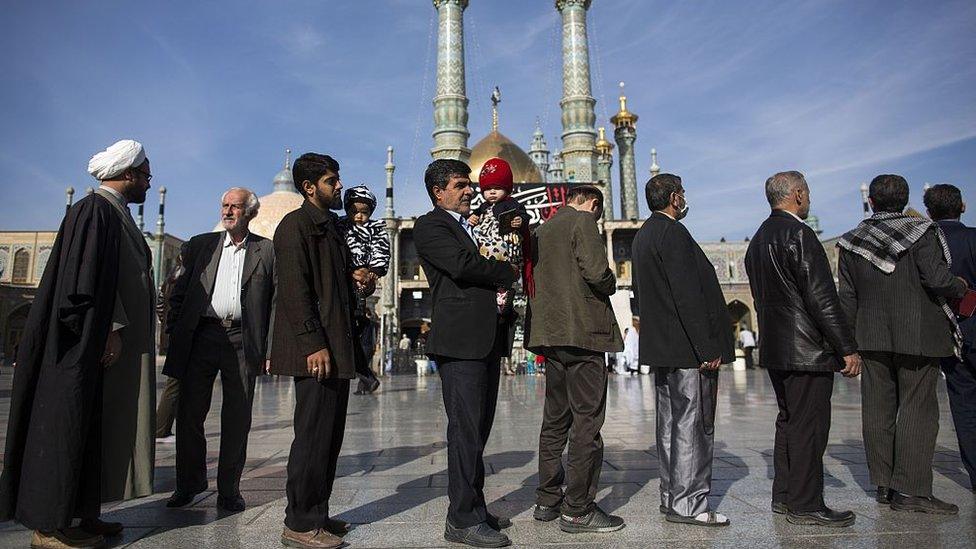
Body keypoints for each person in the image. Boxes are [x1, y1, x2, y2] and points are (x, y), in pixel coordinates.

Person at [0, 139, 157, 548]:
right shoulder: (93, 210)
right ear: (127, 174)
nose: (147, 182)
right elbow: (81, 283)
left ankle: (84, 515)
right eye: (144, 175)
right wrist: (110, 328)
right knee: (65, 427)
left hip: (96, 346)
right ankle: (48, 527)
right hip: (81, 345)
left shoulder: (113, 212)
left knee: (91, 429)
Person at [838, 175, 967, 514]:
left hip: (871, 337)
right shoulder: (922, 233)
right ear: (907, 199)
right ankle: (910, 491)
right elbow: (937, 279)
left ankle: (883, 484)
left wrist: (847, 343)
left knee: (877, 408)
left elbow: (847, 297)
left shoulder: (852, 241)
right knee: (918, 408)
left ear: (872, 202)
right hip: (919, 334)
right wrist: (961, 286)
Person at [745, 170, 861, 527]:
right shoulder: (799, 233)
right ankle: (807, 503)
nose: (809, 199)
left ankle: (785, 496)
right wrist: (847, 348)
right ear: (797, 194)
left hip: (778, 349)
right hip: (807, 350)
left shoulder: (758, 240)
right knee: (808, 427)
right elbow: (822, 298)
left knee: (789, 422)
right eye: (806, 193)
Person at [414, 159, 518, 548]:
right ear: (438, 192)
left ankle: (474, 506)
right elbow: (462, 265)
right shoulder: (431, 225)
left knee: (478, 431)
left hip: (484, 339)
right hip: (460, 342)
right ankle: (460, 519)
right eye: (460, 185)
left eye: (469, 184)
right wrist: (502, 269)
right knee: (465, 430)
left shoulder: (468, 226)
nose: (469, 190)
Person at [270, 153, 367, 549]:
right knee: (311, 437)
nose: (339, 186)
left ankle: (318, 513)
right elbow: (295, 290)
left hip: (335, 346)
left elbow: (330, 282)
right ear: (309, 188)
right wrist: (313, 344)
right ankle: (299, 522)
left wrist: (356, 278)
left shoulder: (330, 229)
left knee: (329, 436)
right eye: (331, 181)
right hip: (317, 351)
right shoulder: (295, 226)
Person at [163, 187, 276, 512]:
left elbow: (274, 303)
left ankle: (229, 490)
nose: (227, 211)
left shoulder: (265, 251)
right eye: (224, 205)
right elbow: (179, 292)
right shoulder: (201, 246)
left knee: (237, 416)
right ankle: (188, 484)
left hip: (242, 340)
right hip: (202, 336)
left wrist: (268, 348)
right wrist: (175, 333)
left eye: (235, 207)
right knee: (189, 414)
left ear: (250, 212)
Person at [631, 173, 733, 527]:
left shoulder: (644, 234)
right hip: (689, 349)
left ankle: (671, 494)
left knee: (670, 422)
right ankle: (689, 503)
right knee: (693, 423)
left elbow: (643, 297)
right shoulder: (673, 233)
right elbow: (687, 294)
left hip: (663, 347)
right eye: (683, 194)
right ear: (674, 198)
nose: (685, 199)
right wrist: (707, 347)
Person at [525, 185, 626, 534]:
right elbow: (597, 273)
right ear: (593, 204)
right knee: (586, 421)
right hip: (583, 335)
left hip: (551, 336)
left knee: (555, 421)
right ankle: (578, 508)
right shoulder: (583, 222)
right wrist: (612, 282)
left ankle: (547, 500)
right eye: (597, 212)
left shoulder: (541, 229)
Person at [925, 184, 976, 493]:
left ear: (929, 213)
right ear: (964, 206)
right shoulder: (973, 238)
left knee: (964, 406)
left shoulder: (926, 244)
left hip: (949, 335)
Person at [337, 185, 390, 395]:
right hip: (343, 281)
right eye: (354, 211)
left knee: (354, 333)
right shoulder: (340, 225)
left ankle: (365, 377)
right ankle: (366, 377)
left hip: (362, 286)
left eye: (364, 212)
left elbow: (381, 251)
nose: (359, 217)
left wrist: (372, 272)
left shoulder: (376, 228)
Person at [468, 157, 532, 296]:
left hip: (505, 256)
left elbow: (525, 216)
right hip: (484, 258)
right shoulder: (483, 207)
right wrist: (472, 218)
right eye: (488, 189)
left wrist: (519, 220)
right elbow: (474, 216)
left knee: (503, 285)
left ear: (507, 189)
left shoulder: (511, 204)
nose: (492, 192)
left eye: (497, 188)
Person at [155, 252, 185, 441]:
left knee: (176, 383)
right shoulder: (182, 278)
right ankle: (161, 429)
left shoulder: (170, 277)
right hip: (180, 335)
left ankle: (164, 428)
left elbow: (160, 307)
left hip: (171, 335)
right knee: (175, 383)